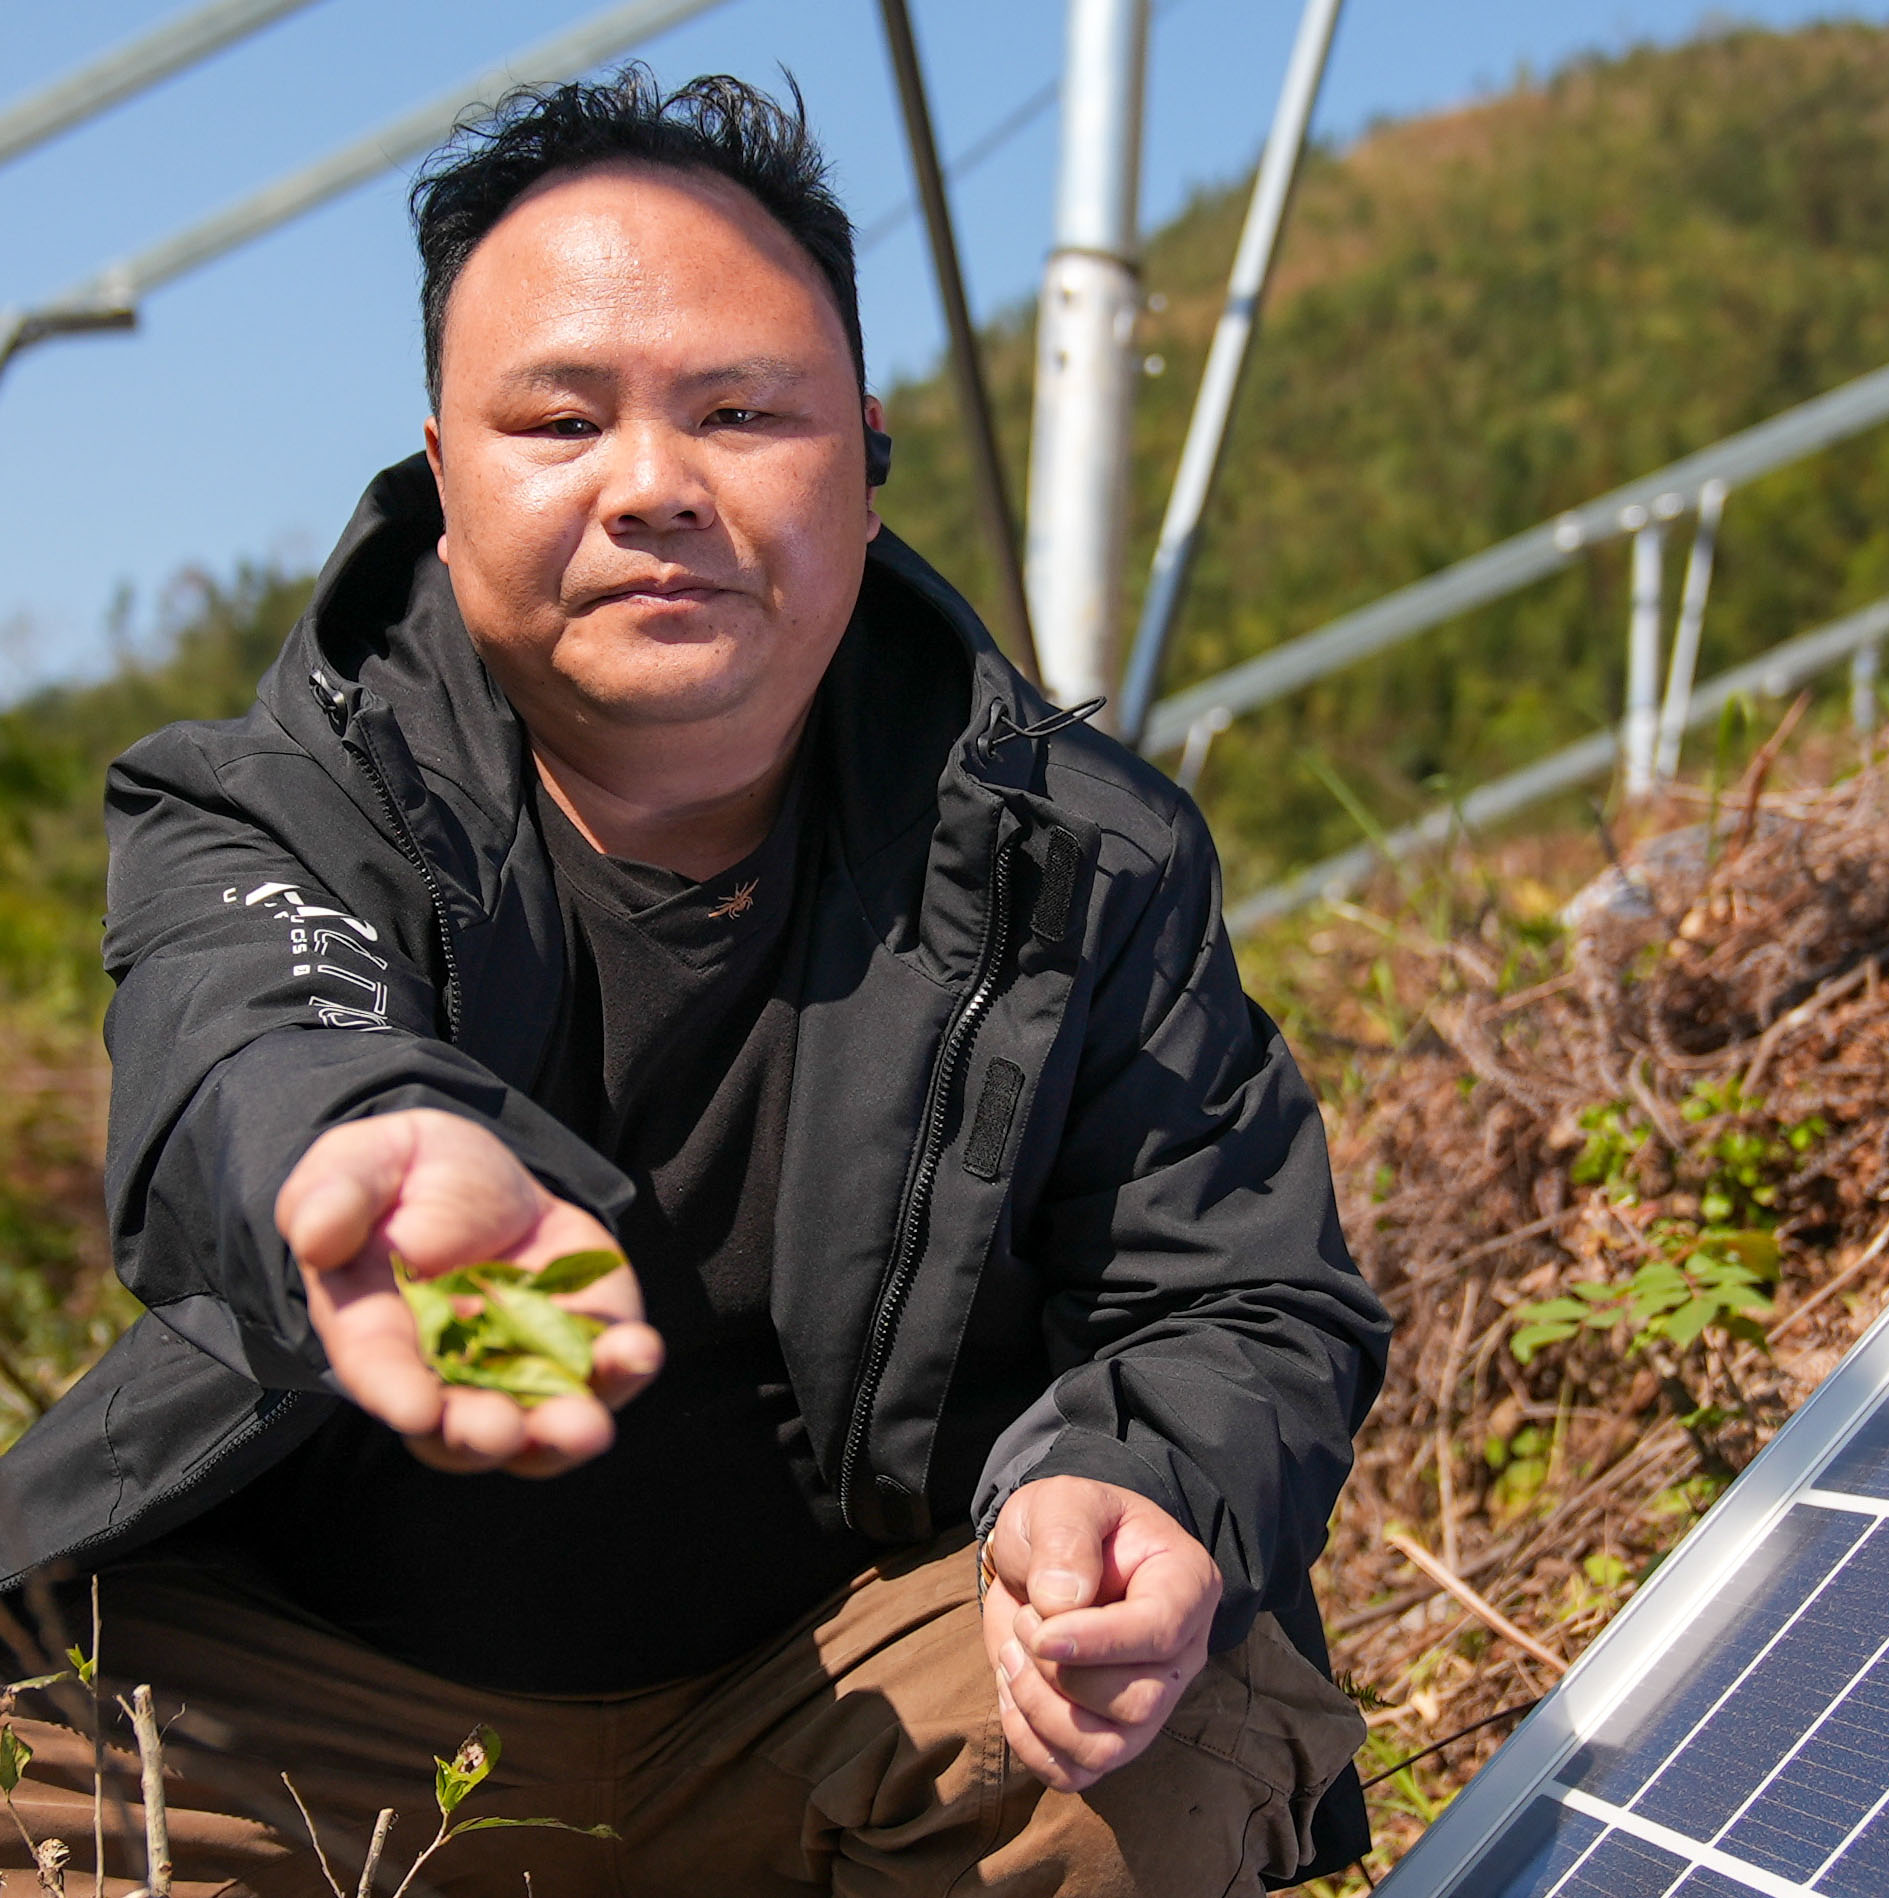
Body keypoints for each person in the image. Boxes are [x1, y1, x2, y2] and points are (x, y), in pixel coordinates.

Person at [0, 69, 1387, 1898]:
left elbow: (1238, 1290)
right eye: (560, 418)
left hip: (829, 1688)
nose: (653, 485)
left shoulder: (1082, 857)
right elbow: (247, 1028)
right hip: (310, 1716)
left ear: (864, 458)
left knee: (1158, 1733)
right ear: (442, 471)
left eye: (741, 411)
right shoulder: (270, 799)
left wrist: (1143, 1482)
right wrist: (360, 1134)